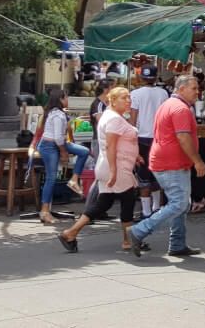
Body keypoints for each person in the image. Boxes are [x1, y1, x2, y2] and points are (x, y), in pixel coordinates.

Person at [128, 75, 205, 258]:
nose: (197, 92)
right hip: (171, 163)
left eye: (197, 88)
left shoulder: (170, 104)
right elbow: (183, 137)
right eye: (193, 88)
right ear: (181, 89)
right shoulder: (180, 109)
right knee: (179, 203)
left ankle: (177, 244)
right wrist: (198, 161)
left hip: (169, 160)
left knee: (180, 204)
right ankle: (139, 230)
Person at [57, 87, 142, 253]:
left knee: (103, 203)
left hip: (111, 165)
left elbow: (117, 143)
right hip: (116, 166)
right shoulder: (114, 119)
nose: (128, 101)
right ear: (113, 100)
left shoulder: (112, 117)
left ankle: (70, 233)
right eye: (124, 98)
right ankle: (128, 240)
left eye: (129, 98)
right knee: (128, 200)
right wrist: (114, 171)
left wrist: (135, 156)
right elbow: (110, 145)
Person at [37, 89, 91, 224]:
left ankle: (74, 179)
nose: (68, 100)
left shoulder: (58, 113)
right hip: (50, 146)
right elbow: (58, 138)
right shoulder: (58, 116)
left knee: (84, 151)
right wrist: (63, 152)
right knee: (51, 177)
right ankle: (44, 211)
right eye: (66, 97)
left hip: (56, 143)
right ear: (61, 99)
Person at [130, 66, 169, 219]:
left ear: (141, 77)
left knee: (143, 175)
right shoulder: (164, 93)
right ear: (156, 76)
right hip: (159, 138)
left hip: (141, 138)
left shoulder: (135, 94)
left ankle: (146, 211)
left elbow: (133, 119)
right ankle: (157, 207)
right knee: (157, 173)